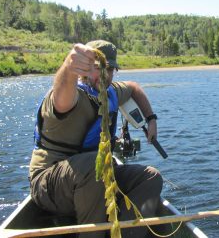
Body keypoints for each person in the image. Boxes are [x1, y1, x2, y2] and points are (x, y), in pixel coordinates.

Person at [29, 40, 163, 238]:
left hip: (97, 178)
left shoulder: (111, 91)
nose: (105, 75)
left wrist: (151, 119)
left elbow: (133, 87)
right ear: (83, 69)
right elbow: (62, 95)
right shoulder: (71, 95)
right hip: (51, 186)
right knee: (96, 165)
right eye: (98, 68)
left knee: (151, 177)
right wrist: (68, 68)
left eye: (110, 69)